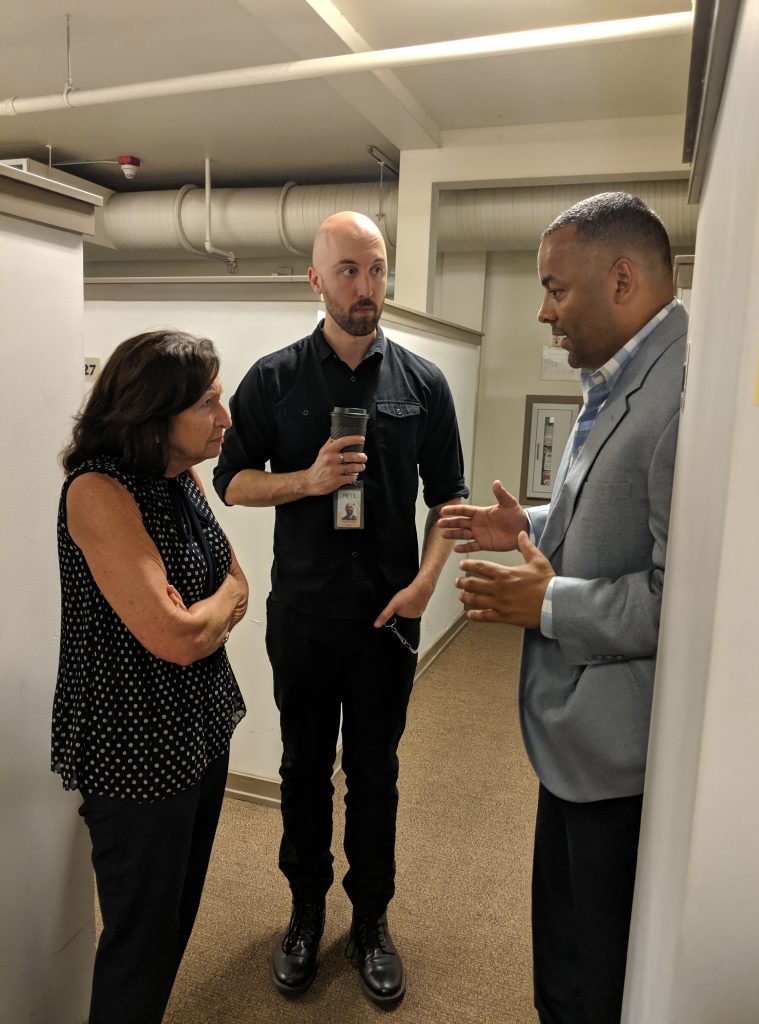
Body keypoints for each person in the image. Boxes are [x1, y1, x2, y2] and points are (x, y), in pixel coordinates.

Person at [438, 192, 688, 1024]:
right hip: (575, 744)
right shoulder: (623, 373)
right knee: (562, 952)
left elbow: (679, 597)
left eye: (556, 289)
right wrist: (527, 526)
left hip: (619, 755)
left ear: (622, 279)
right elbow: (607, 515)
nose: (543, 312)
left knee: (592, 975)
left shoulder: (682, 397)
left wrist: (547, 605)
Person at [213, 210, 468, 1007]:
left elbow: (450, 499)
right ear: (315, 280)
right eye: (349, 270)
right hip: (306, 617)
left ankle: (371, 922)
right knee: (301, 770)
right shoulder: (274, 379)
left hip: (390, 617)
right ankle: (303, 913)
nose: (366, 287)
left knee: (376, 773)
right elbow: (230, 480)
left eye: (377, 269)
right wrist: (305, 482)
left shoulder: (423, 384)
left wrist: (430, 580)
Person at [52, 330, 249, 1024]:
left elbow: (239, 581)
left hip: (199, 729)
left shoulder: (180, 477)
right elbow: (178, 636)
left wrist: (207, 613)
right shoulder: (99, 492)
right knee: (139, 940)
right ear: (152, 413)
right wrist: (207, 617)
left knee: (173, 921)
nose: (225, 418)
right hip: (132, 748)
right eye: (207, 403)